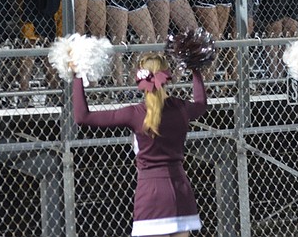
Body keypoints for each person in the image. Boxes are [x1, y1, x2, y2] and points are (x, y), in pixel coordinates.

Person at [72, 51, 206, 236]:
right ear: (166, 77)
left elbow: (82, 117)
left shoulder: (134, 114)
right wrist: (195, 68)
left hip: (150, 193)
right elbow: (201, 104)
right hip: (181, 190)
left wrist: (77, 75)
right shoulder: (181, 108)